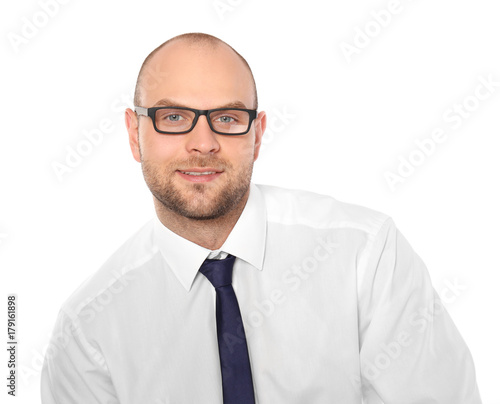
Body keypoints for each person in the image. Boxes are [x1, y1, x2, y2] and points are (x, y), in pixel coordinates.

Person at [41, 32, 482, 404]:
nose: (203, 142)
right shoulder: (88, 329)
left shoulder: (365, 256)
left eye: (227, 118)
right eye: (173, 117)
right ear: (135, 135)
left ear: (257, 134)